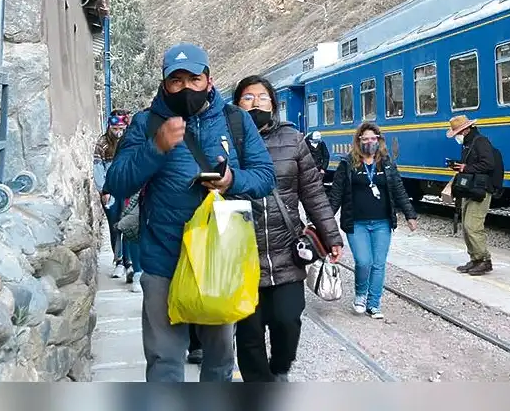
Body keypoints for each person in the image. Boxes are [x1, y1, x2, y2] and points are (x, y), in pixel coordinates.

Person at [103, 42, 277, 382]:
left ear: (209, 81)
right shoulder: (146, 123)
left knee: (219, 362)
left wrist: (232, 179)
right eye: (176, 81)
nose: (186, 88)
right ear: (164, 84)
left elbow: (265, 176)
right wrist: (157, 148)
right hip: (163, 260)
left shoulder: (235, 121)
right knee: (164, 362)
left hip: (218, 261)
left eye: (194, 79)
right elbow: (117, 182)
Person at [231, 75, 344, 382]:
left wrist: (331, 235)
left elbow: (314, 193)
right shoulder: (227, 140)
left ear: (274, 104)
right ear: (236, 104)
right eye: (248, 98)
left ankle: (280, 368)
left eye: (263, 97)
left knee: (288, 319)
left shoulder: (293, 140)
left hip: (287, 249)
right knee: (249, 330)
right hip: (242, 252)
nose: (256, 103)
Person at [328, 122, 418, 319]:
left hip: (382, 223)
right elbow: (336, 194)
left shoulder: (386, 163)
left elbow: (398, 189)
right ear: (359, 141)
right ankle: (360, 295)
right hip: (356, 223)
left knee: (378, 264)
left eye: (373, 138)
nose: (370, 142)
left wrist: (410, 214)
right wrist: (323, 221)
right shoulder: (347, 164)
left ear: (379, 140)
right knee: (363, 261)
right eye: (365, 139)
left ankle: (374, 304)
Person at [93, 110, 141, 284]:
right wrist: (104, 190)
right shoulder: (102, 144)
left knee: (128, 224)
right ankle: (119, 260)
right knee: (115, 226)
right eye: (115, 123)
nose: (118, 127)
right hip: (111, 191)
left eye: (122, 123)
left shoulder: (131, 141)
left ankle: (129, 262)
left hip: (129, 189)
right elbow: (98, 169)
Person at [447, 115, 498, 276]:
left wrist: (465, 168)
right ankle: (475, 259)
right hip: (471, 190)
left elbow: (489, 164)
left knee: (472, 226)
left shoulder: (480, 142)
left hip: (481, 190)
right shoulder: (469, 144)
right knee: (467, 226)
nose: (457, 137)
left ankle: (484, 260)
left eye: (458, 133)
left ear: (466, 130)